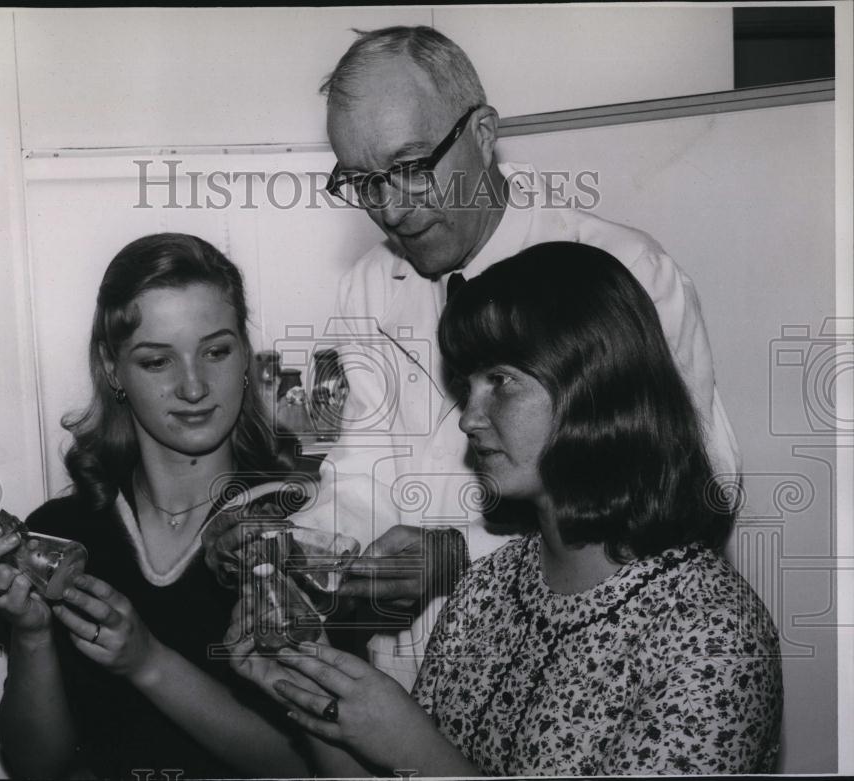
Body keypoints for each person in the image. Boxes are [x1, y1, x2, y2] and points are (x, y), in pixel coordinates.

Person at [206, 24, 742, 689]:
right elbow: (365, 472)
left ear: (483, 133)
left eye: (410, 167)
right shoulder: (370, 286)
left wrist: (467, 553)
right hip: (418, 673)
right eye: (365, 183)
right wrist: (296, 545)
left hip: (584, 664)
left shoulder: (622, 272)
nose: (394, 210)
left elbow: (696, 488)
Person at [230, 242, 783, 776]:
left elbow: (420, 763)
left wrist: (412, 747)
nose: (469, 418)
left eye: (501, 382)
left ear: (594, 387)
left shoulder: (713, 633)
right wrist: (305, 677)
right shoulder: (487, 587)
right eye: (468, 386)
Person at [0, 233, 312, 779]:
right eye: (156, 361)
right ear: (112, 368)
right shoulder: (59, 535)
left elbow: (311, 770)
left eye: (216, 351)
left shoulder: (303, 532)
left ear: (245, 355)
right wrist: (30, 635)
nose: (194, 387)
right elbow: (36, 766)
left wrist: (148, 664)